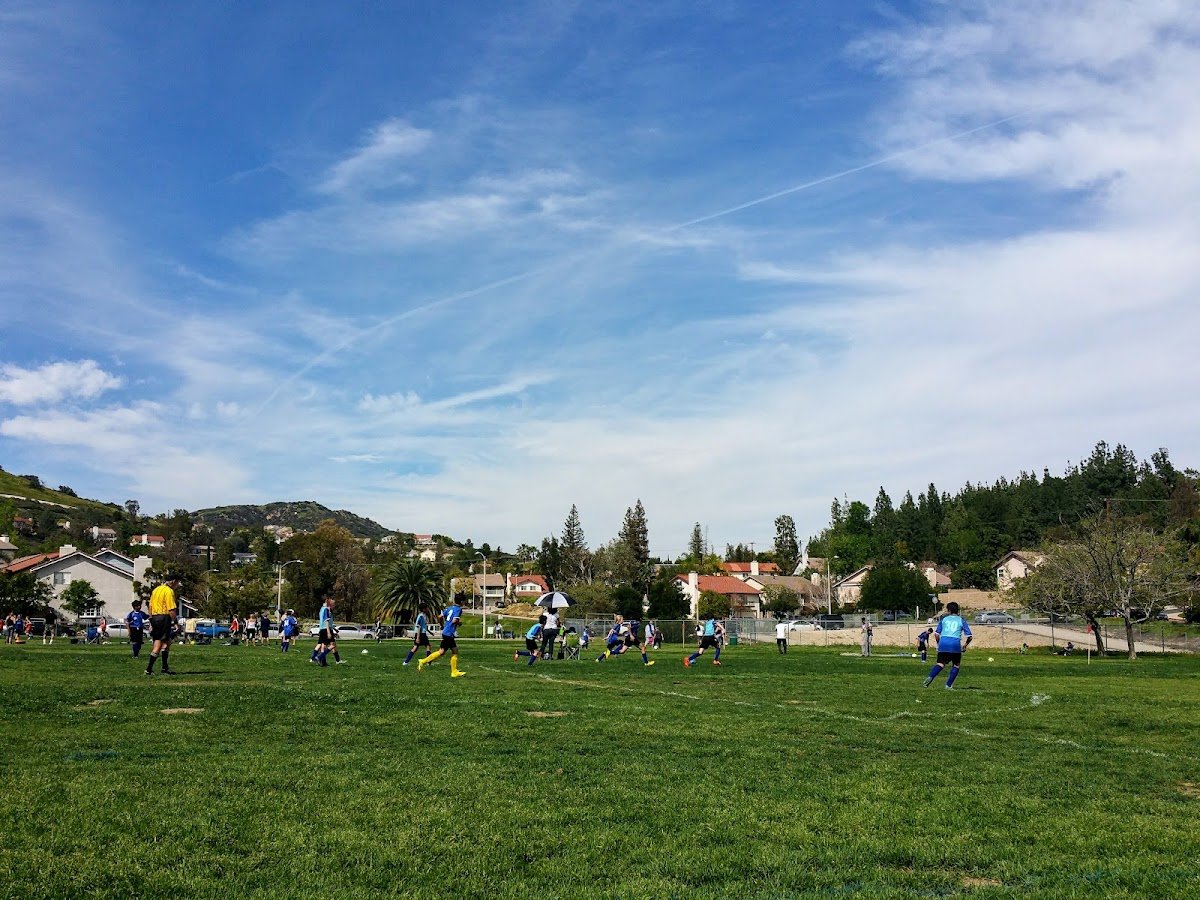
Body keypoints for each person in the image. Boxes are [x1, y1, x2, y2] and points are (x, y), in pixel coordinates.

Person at [923, 601, 972, 689]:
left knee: (940, 664)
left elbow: (937, 634)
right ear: (957, 610)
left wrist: (939, 644)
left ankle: (930, 677)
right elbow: (969, 636)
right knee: (956, 665)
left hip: (943, 643)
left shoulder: (944, 619)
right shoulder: (961, 620)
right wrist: (965, 645)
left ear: (949, 610)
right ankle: (948, 685)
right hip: (955, 643)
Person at [418, 600, 466, 677]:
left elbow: (440, 617)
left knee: (441, 651)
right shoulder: (458, 609)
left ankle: (423, 661)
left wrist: (441, 625)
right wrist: (459, 623)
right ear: (462, 602)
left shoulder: (449, 608)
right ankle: (454, 672)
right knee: (455, 651)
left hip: (445, 632)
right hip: (449, 633)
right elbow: (454, 621)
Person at [144, 574, 180, 676]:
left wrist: (151, 620)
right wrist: (176, 622)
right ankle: (149, 669)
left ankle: (165, 667)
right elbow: (171, 609)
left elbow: (150, 607)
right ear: (173, 581)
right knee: (159, 644)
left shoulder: (156, 590)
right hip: (164, 618)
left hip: (155, 618)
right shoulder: (169, 591)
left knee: (166, 642)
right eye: (177, 583)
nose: (177, 585)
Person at [310, 597, 342, 666]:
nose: (334, 606)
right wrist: (328, 632)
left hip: (323, 629)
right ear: (330, 604)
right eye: (333, 604)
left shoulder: (322, 609)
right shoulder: (326, 610)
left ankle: (323, 662)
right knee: (332, 645)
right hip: (326, 629)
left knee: (323, 645)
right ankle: (319, 657)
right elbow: (326, 621)